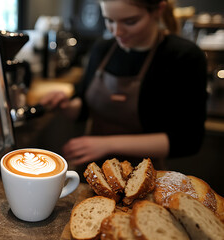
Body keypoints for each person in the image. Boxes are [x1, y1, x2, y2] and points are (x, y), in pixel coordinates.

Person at [39, 0, 207, 170]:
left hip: (143, 176)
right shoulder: (102, 49)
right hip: (92, 171)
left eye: (130, 22)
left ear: (158, 10)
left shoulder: (182, 56)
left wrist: (107, 144)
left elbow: (187, 141)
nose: (117, 32)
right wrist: (66, 106)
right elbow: (85, 107)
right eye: (110, 20)